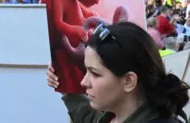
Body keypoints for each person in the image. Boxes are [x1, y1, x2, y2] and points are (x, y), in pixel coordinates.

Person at [46, 22, 189, 123]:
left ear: (129, 81)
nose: (83, 82)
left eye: (95, 73)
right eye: (86, 71)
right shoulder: (112, 116)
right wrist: (64, 84)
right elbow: (88, 117)